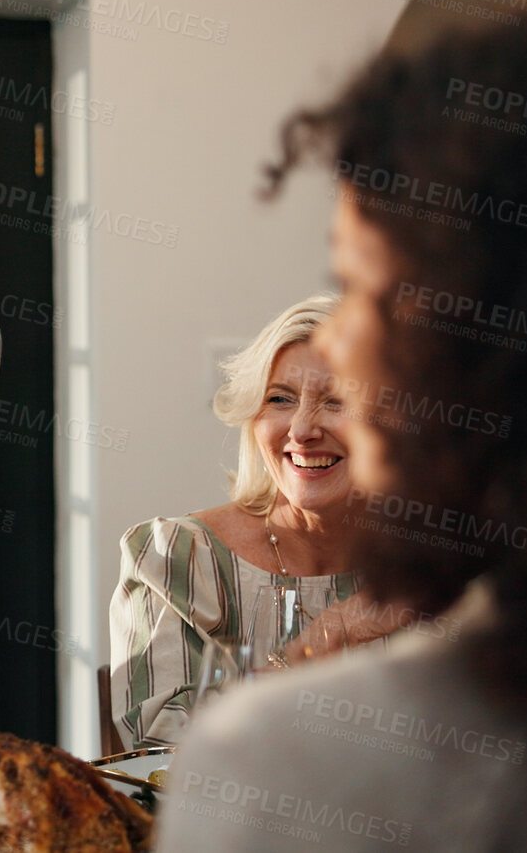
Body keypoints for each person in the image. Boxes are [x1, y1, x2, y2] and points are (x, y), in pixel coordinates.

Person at [158, 0, 527, 851]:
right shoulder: (178, 551)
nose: (342, 351)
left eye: (359, 289)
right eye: (280, 396)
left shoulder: (280, 767)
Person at [109, 294, 406, 749]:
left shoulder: (437, 566)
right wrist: (331, 635)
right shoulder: (178, 560)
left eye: (337, 400)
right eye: (280, 399)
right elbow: (166, 753)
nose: (302, 429)